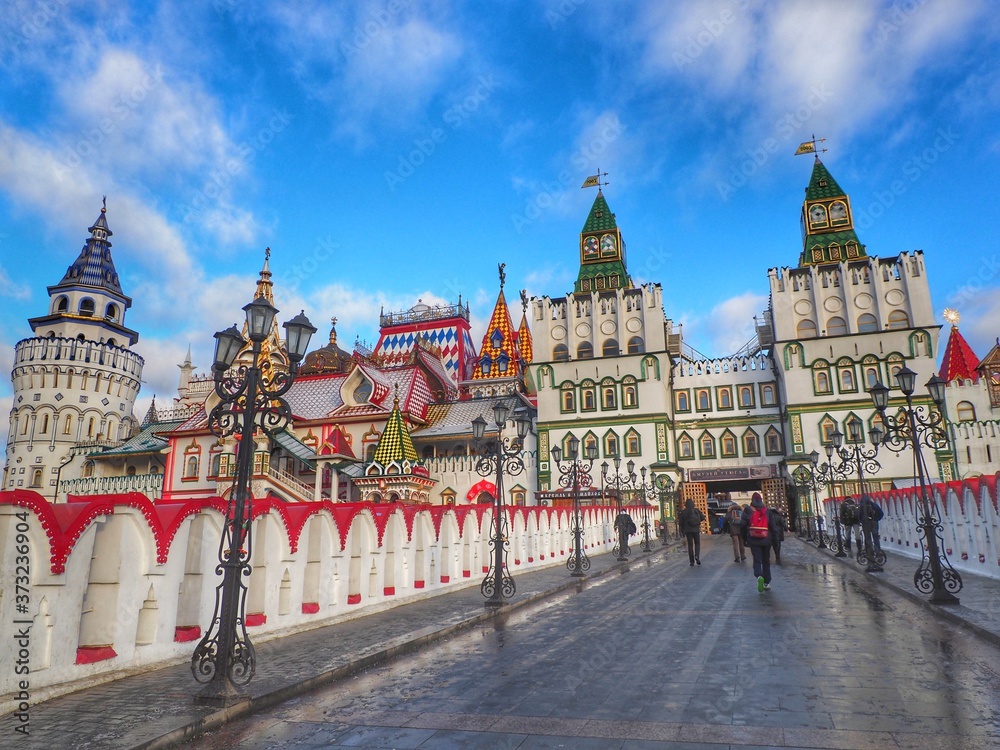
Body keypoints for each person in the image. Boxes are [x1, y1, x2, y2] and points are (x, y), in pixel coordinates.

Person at [741, 492, 777, 591]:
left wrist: (745, 539)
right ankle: (766, 582)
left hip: (753, 540)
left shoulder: (748, 510)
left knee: (757, 560)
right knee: (766, 561)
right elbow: (773, 527)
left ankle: (759, 576)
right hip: (766, 540)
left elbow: (742, 525)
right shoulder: (767, 511)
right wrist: (774, 540)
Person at [678, 498, 706, 566]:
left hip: (688, 531)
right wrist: (697, 522)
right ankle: (697, 556)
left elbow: (681, 523)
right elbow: (703, 518)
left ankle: (691, 561)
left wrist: (682, 531)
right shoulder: (696, 510)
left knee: (690, 545)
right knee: (697, 543)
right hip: (696, 529)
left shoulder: (683, 512)